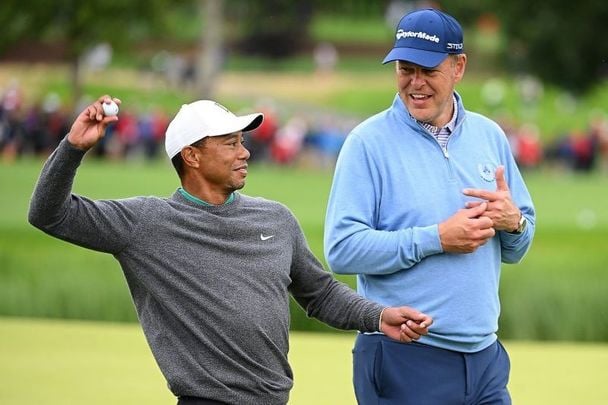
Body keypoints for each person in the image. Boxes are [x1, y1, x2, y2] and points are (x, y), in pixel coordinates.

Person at [28, 96, 433, 405]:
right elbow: (48, 213)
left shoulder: (275, 219)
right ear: (192, 156)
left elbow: (320, 294)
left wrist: (377, 316)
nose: (245, 153)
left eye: (242, 142)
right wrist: (73, 148)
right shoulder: (146, 223)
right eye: (230, 144)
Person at [324, 8, 535, 405]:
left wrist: (515, 224)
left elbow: (518, 248)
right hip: (405, 356)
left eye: (428, 70)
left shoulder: (490, 137)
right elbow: (341, 250)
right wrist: (436, 238)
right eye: (405, 69)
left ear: (459, 67)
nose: (415, 83)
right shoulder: (367, 143)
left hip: (485, 358)